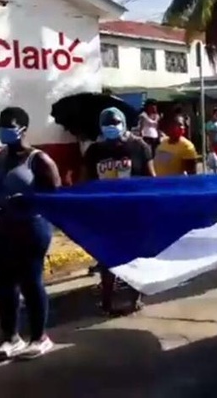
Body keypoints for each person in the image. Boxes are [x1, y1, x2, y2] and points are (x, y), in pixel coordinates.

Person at [0, 106, 61, 359]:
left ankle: (40, 337)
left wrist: (26, 201)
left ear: (23, 129)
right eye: (1, 125)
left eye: (9, 126)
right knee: (3, 285)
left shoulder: (39, 160)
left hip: (30, 228)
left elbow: (55, 198)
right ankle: (10, 338)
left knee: (30, 281)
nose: (3, 131)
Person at [83, 107, 155, 315]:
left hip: (134, 212)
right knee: (108, 258)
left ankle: (135, 297)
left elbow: (151, 179)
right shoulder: (95, 151)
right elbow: (85, 181)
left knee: (135, 257)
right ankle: (107, 301)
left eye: (115, 123)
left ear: (123, 123)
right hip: (106, 213)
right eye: (106, 125)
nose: (111, 128)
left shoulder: (139, 147)